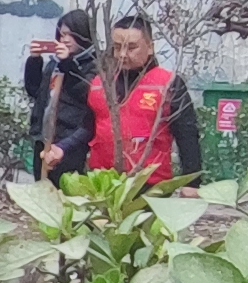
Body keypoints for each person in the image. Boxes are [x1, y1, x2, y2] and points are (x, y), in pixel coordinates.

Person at [84, 15, 205, 183]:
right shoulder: (99, 84)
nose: (123, 54)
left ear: (150, 47)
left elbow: (187, 136)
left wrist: (192, 183)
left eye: (131, 47)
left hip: (150, 184)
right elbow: (85, 130)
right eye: (117, 47)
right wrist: (62, 149)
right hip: (103, 183)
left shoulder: (169, 83)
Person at [22, 9, 100, 175]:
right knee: (42, 192)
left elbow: (85, 94)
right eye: (62, 34)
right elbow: (35, 90)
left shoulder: (94, 65)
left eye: (70, 35)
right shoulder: (55, 63)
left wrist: (68, 64)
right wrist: (34, 60)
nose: (65, 40)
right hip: (44, 138)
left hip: (70, 142)